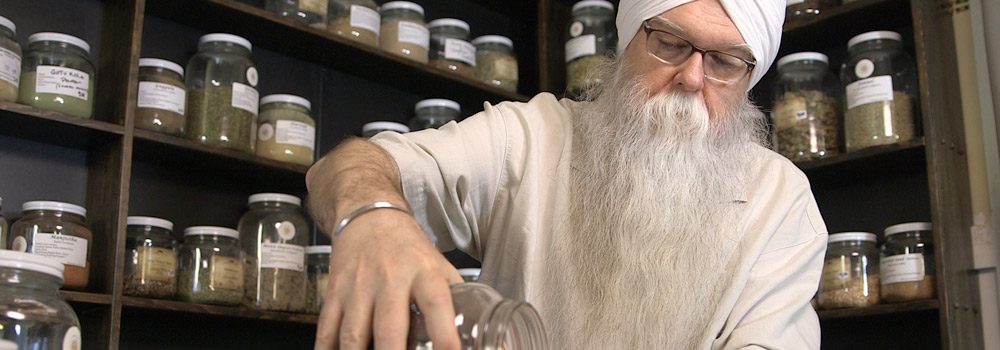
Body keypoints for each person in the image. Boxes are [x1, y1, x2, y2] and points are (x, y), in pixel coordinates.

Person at [306, 0, 828, 348]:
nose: (692, 77)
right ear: (627, 42)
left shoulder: (781, 202)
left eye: (725, 62)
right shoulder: (530, 137)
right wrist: (374, 217)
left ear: (749, 76)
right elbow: (345, 168)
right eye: (669, 43)